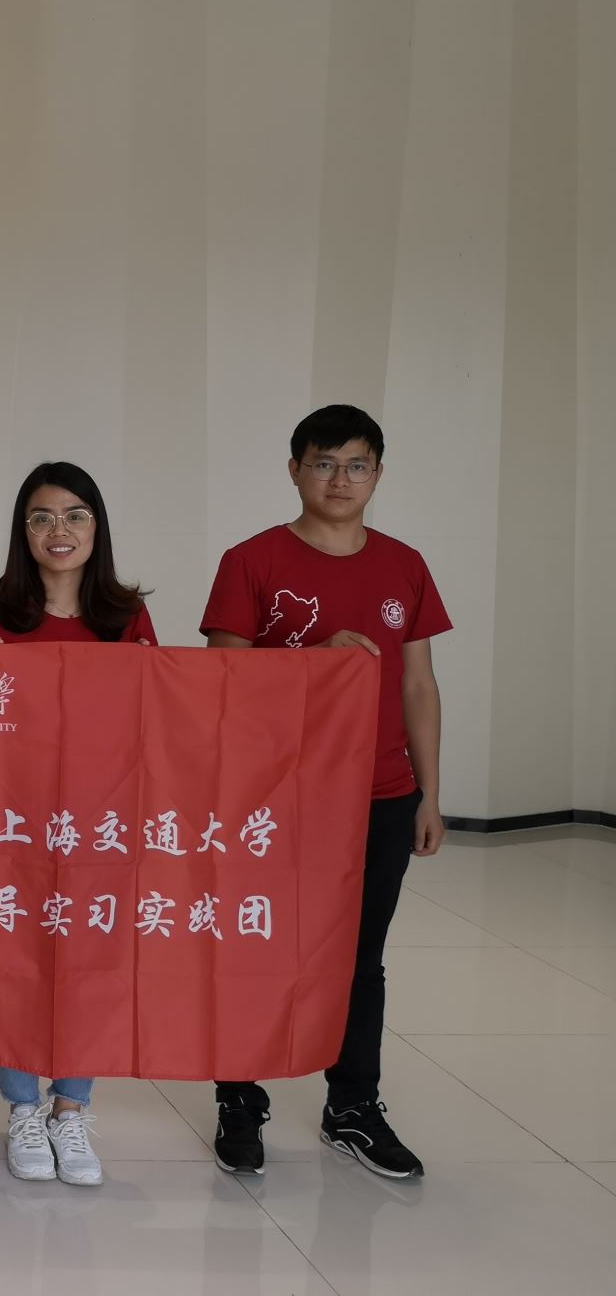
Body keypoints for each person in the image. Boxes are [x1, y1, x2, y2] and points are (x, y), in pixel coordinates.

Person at [202, 404, 449, 1180]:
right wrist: (314, 658)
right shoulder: (252, 560)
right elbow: (223, 682)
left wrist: (429, 793)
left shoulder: (405, 564)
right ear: (294, 470)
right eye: (324, 463)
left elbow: (418, 683)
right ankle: (240, 1101)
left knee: (360, 958)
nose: (340, 479)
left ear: (378, 474)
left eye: (357, 465)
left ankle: (352, 1106)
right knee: (258, 946)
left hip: (382, 794)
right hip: (277, 797)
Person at [0, 460, 157, 1188]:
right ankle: (22, 1108)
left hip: (100, 821)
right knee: (14, 953)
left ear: (97, 526)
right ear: (23, 530)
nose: (58, 530)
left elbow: (156, 719)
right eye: (41, 517)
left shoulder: (126, 617)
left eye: (75, 515)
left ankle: (71, 1108)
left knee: (90, 958)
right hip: (13, 820)